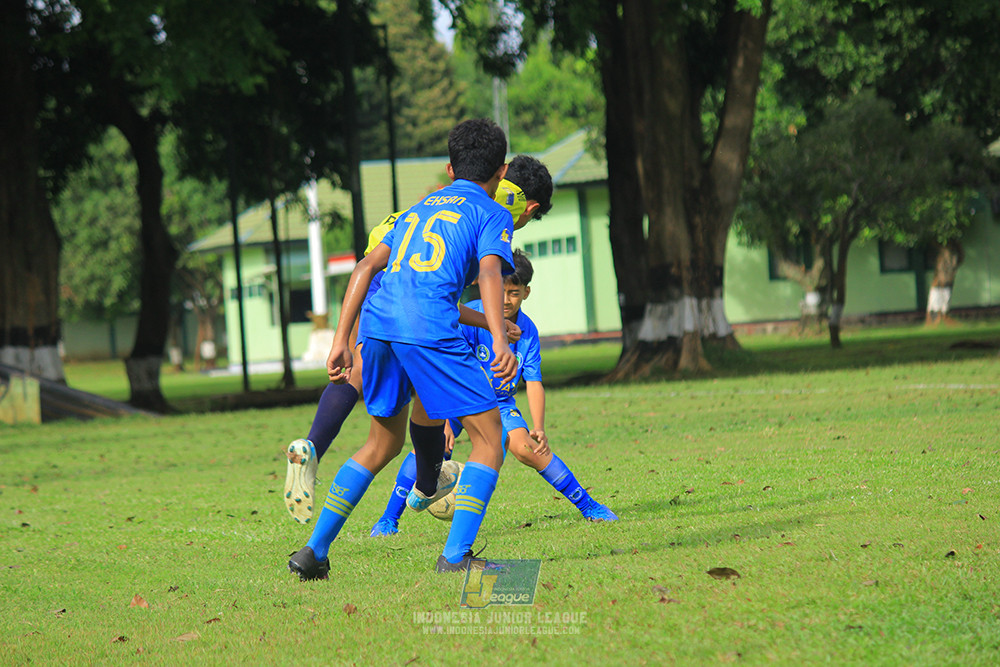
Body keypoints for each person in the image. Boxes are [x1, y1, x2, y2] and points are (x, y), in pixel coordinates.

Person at [287, 119, 527, 579]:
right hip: (429, 329)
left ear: (450, 168)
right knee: (489, 437)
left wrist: (341, 341)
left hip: (377, 327)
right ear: (501, 172)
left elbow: (364, 267)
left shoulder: (416, 210)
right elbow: (490, 273)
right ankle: (456, 557)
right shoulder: (492, 212)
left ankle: (313, 552)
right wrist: (499, 337)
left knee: (382, 443)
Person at [370, 250, 617, 537]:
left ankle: (589, 506)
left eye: (514, 293)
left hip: (498, 403)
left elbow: (534, 381)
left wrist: (538, 427)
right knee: (432, 448)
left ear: (526, 293)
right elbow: (441, 366)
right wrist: (444, 419)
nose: (505, 299)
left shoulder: (528, 331)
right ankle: (388, 520)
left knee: (529, 449)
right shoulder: (469, 317)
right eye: (500, 290)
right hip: (456, 398)